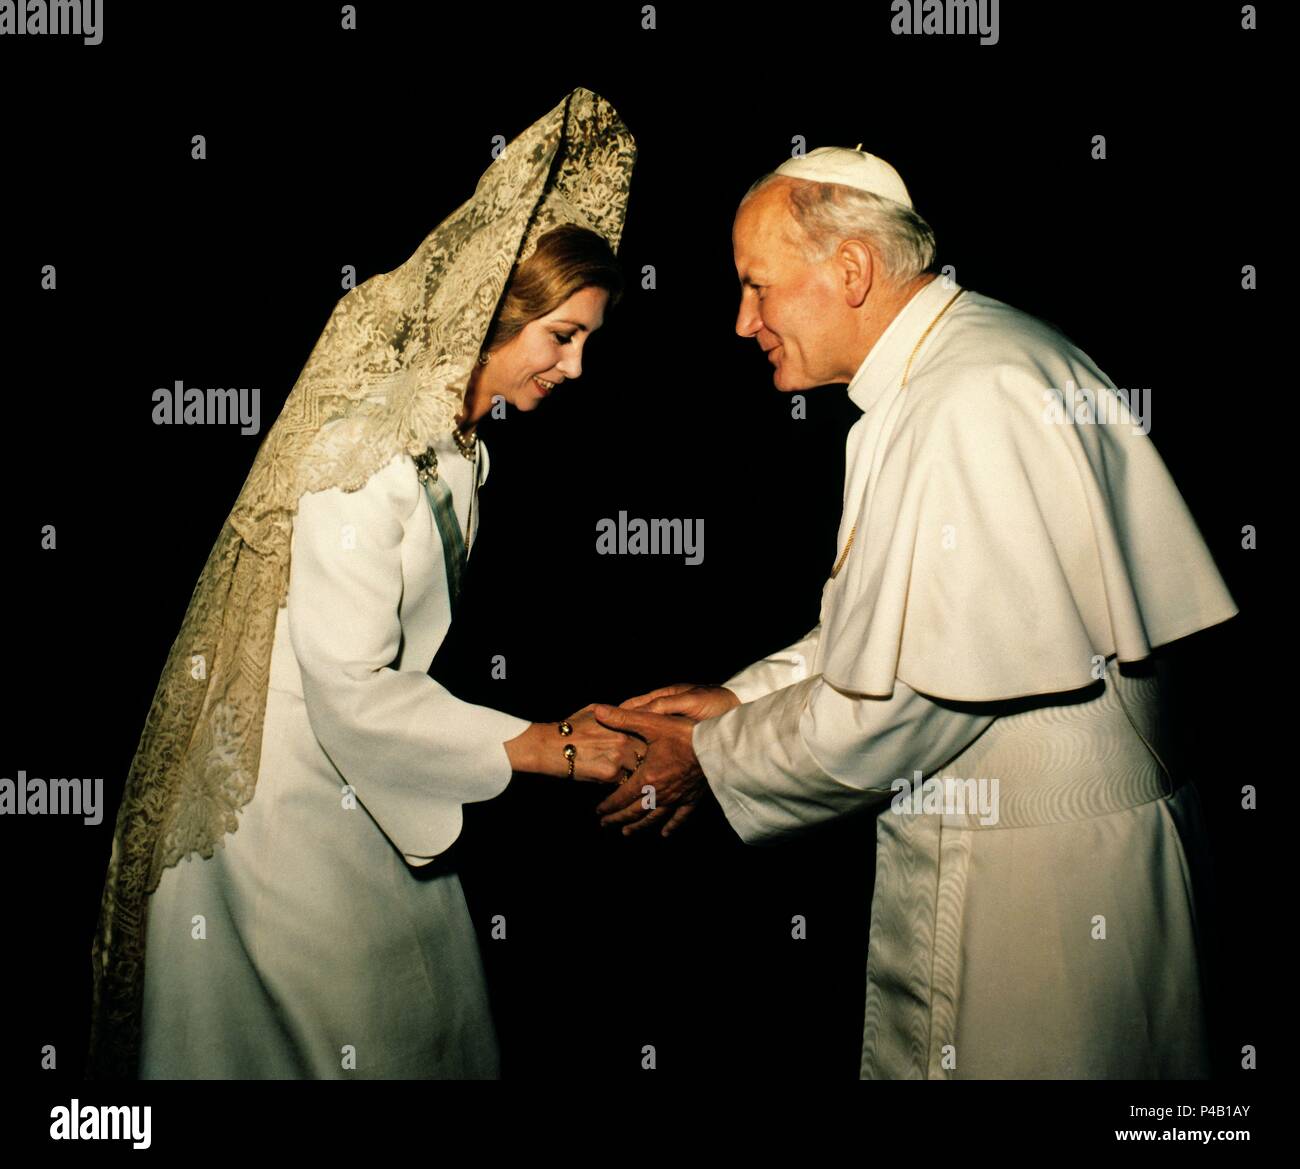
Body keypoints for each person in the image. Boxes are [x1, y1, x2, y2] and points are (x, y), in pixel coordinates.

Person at [591, 146, 1239, 1079]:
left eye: (757, 287)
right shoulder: (968, 362)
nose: (743, 322)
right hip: (1055, 863)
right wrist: (736, 701)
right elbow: (883, 631)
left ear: (849, 270)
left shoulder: (962, 398)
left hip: (1043, 898)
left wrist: (711, 758)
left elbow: (905, 706)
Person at [87, 88, 640, 1079]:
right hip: (288, 814)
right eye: (563, 334)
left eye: (588, 337)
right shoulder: (368, 452)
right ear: (495, 314)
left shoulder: (460, 450)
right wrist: (543, 745)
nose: (577, 364)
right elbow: (348, 684)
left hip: (372, 784)